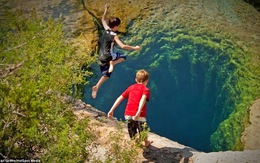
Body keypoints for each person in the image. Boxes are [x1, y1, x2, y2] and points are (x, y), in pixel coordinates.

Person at [92, 4, 140, 98]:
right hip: (109, 56)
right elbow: (122, 46)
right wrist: (134, 48)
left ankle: (97, 86)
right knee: (123, 57)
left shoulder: (106, 29)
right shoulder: (114, 35)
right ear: (116, 26)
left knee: (106, 74)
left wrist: (106, 9)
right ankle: (112, 63)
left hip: (101, 56)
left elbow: (102, 19)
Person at [107, 69, 152, 147]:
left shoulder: (130, 88)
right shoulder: (146, 90)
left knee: (131, 128)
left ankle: (135, 142)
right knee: (142, 128)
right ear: (147, 81)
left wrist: (111, 110)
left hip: (128, 113)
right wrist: (138, 112)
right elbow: (143, 99)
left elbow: (120, 98)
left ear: (136, 79)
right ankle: (146, 142)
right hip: (139, 115)